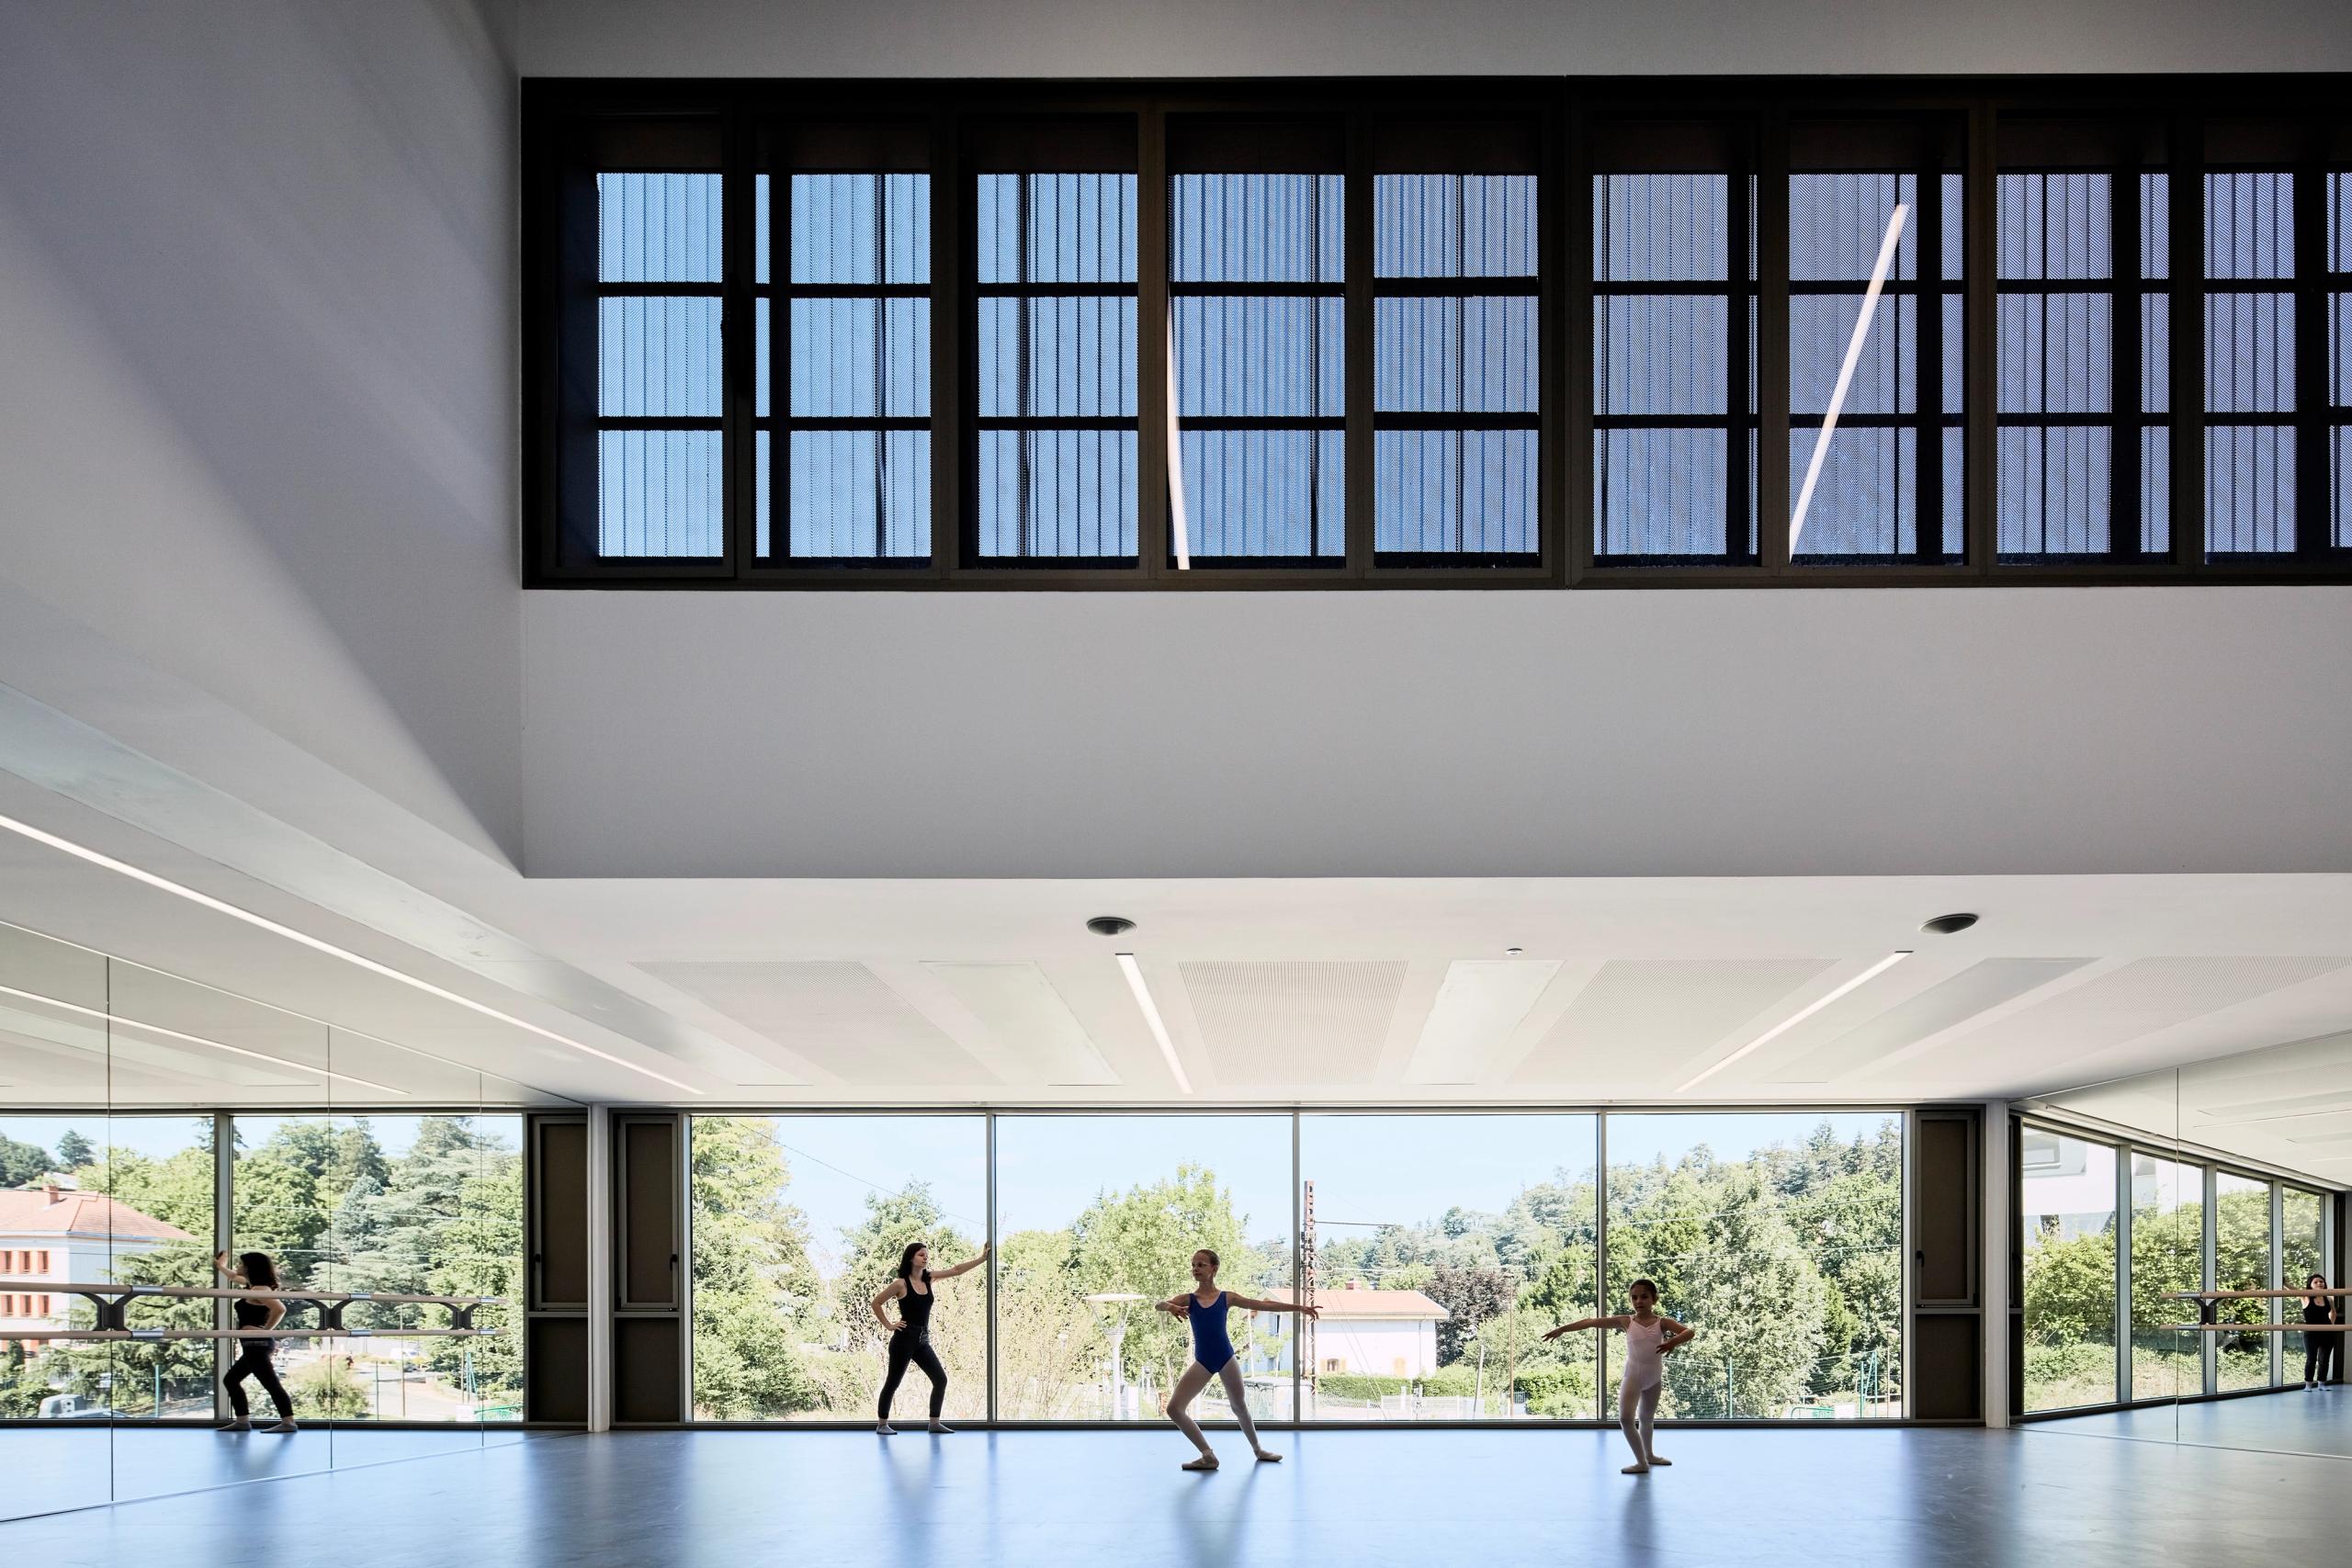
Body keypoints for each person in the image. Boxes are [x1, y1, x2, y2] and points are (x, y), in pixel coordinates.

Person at [1157, 1248, 1318, 1472]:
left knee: (1239, 1406)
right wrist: (1170, 1306)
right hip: (1203, 1361)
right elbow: (1159, 1304)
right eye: (1194, 1265)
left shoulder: (1227, 1298)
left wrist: (1299, 1308)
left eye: (1201, 1264)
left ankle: (1258, 1450)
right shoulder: (1188, 1299)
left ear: (1214, 1268)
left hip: (1225, 1357)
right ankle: (1208, 1456)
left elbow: (1264, 1305)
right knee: (1174, 1409)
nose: (1195, 1268)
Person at [1544, 1279, 1693, 1473]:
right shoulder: (1626, 1321)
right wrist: (1563, 1329)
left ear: (1654, 1299)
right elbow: (1591, 1322)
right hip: (1632, 1376)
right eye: (1634, 1297)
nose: (1639, 1301)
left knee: (1647, 1418)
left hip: (1654, 1377)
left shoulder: (1662, 1323)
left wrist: (1674, 1341)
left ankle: (1650, 1455)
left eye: (1644, 1297)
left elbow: (1690, 1331)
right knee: (1625, 1418)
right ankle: (1641, 1462)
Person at [871, 1240, 987, 1434]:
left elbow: (957, 1270)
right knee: (893, 1382)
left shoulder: (928, 1278)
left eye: (926, 1254)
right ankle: (882, 1424)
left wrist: (982, 1259)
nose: (925, 1257)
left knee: (940, 1379)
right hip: (904, 1339)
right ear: (910, 1258)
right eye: (921, 1254)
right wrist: (889, 1325)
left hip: (923, 1340)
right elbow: (876, 1303)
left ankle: (934, 1423)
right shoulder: (901, 1283)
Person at [215, 1250, 297, 1433]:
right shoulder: (254, 1286)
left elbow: (279, 1309)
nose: (238, 1267)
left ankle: (289, 1423)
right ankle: (243, 1421)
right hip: (253, 1344)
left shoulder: (259, 1290)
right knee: (231, 1380)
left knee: (270, 1384)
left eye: (241, 1264)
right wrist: (221, 1266)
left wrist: (264, 1331)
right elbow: (234, 1277)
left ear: (251, 1267)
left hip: (257, 1344)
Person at [2301, 1273, 2340, 1389]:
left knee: (2324, 1359)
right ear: (2310, 1285)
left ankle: (2321, 1384)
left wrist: (2332, 1325)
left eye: (2321, 1281)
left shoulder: (2328, 1298)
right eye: (2316, 1282)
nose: (2319, 1283)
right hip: (2311, 1333)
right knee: (2311, 1359)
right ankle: (2308, 1385)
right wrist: (2284, 1282)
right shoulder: (2305, 1297)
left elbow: (2333, 1312)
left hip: (2327, 1332)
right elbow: (2294, 1290)